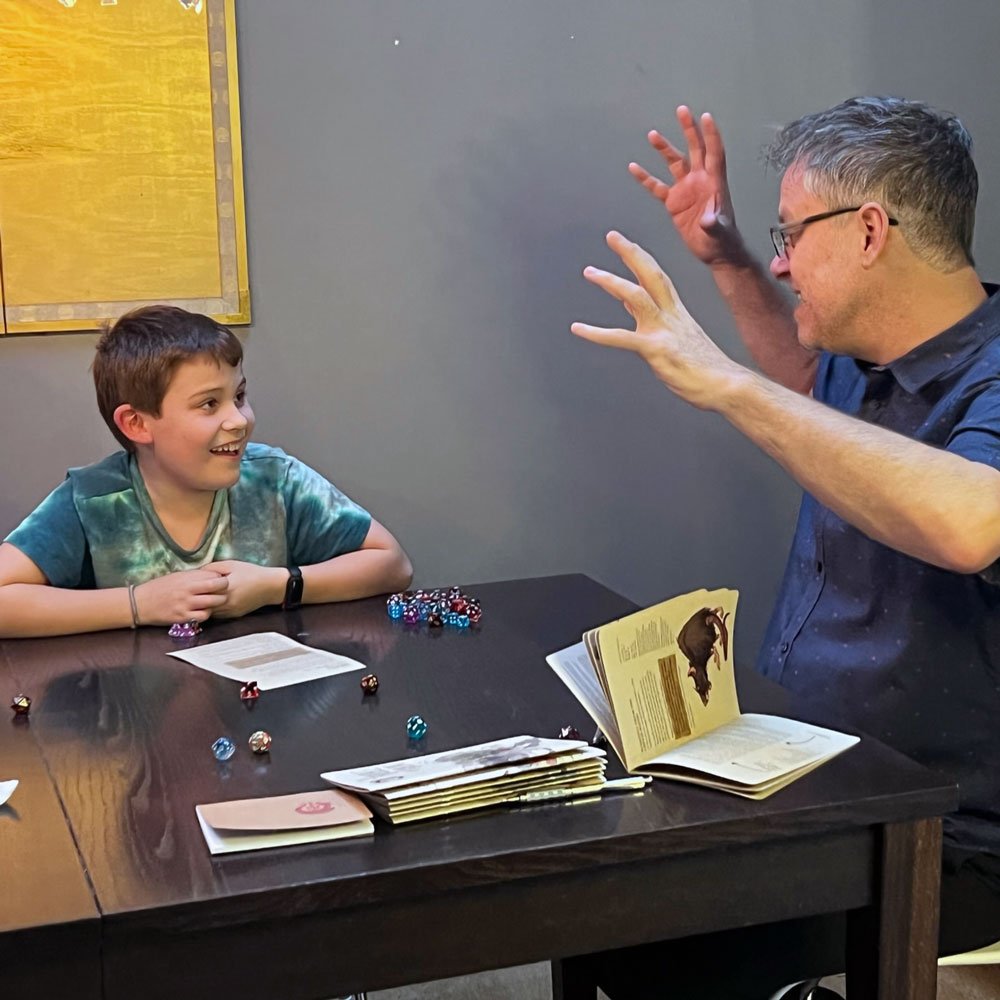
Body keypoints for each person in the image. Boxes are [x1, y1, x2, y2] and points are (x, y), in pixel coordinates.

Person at [572, 97, 1000, 998]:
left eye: (792, 233)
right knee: (598, 914)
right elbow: (811, 384)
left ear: (871, 230)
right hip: (809, 782)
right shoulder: (869, 349)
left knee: (664, 954)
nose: (780, 258)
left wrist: (722, 383)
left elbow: (971, 522)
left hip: (943, 836)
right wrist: (725, 260)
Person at [0, 305, 412, 638]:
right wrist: (138, 604)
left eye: (240, 395)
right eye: (209, 404)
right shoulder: (94, 501)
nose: (239, 420)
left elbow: (392, 564)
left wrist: (277, 584)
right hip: (135, 725)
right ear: (137, 424)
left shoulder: (274, 479)